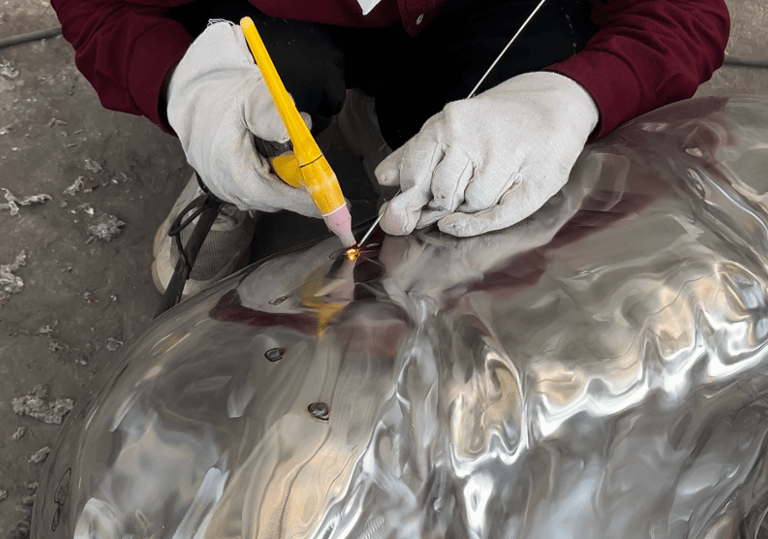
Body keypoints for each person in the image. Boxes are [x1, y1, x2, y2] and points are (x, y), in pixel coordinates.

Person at [51, 0, 729, 291]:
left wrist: (572, 97)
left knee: (535, 77)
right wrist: (189, 88)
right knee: (268, 83)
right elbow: (105, 10)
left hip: (479, 21)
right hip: (274, 20)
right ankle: (241, 161)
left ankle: (413, 129)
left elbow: (681, 12)